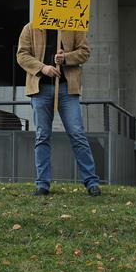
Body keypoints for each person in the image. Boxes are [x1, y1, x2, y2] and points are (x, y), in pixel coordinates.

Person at [16, 23, 102, 197]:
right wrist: (43, 68)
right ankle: (42, 184)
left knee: (77, 133)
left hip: (67, 89)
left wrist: (67, 58)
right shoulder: (30, 28)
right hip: (40, 89)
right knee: (42, 135)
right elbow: (22, 55)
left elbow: (84, 52)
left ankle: (91, 182)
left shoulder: (73, 26)